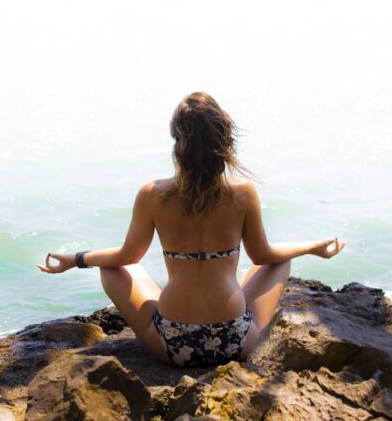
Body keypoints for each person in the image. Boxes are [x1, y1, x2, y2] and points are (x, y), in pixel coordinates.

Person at [37, 92, 345, 366]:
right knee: (280, 258)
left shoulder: (152, 194)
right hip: (235, 341)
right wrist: (312, 247)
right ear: (224, 140)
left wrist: (74, 259)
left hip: (171, 344)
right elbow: (263, 255)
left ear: (177, 141)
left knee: (112, 267)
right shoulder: (242, 193)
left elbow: (127, 256)